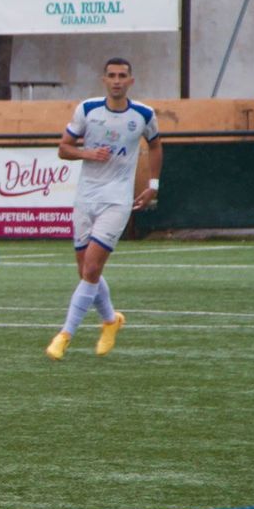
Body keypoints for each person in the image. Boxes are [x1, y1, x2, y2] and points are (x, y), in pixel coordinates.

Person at [45, 57, 162, 360]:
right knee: (86, 270)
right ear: (104, 79)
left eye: (123, 75)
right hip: (86, 198)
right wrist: (87, 152)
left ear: (131, 81)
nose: (117, 80)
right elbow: (63, 148)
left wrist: (153, 185)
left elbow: (157, 145)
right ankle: (111, 321)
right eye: (112, 75)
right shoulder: (87, 110)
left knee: (93, 268)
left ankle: (65, 334)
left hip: (116, 200)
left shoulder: (144, 115)